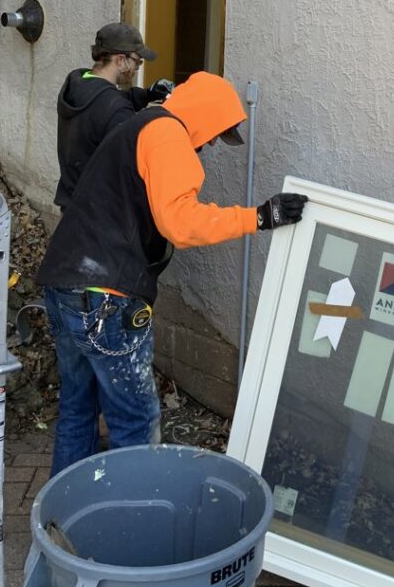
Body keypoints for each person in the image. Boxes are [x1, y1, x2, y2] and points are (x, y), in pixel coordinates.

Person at [36, 71, 308, 476]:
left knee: (78, 410)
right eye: (218, 132)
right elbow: (179, 223)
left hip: (64, 285)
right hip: (107, 296)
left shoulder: (139, 125)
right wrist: (259, 218)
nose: (213, 142)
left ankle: (62, 524)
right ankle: (136, 530)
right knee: (135, 423)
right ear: (204, 114)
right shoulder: (168, 135)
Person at [54, 22, 174, 211]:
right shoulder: (116, 109)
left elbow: (102, 103)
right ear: (120, 60)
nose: (137, 68)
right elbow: (131, 166)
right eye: (137, 61)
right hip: (97, 217)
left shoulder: (77, 83)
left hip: (71, 206)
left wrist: (146, 94)